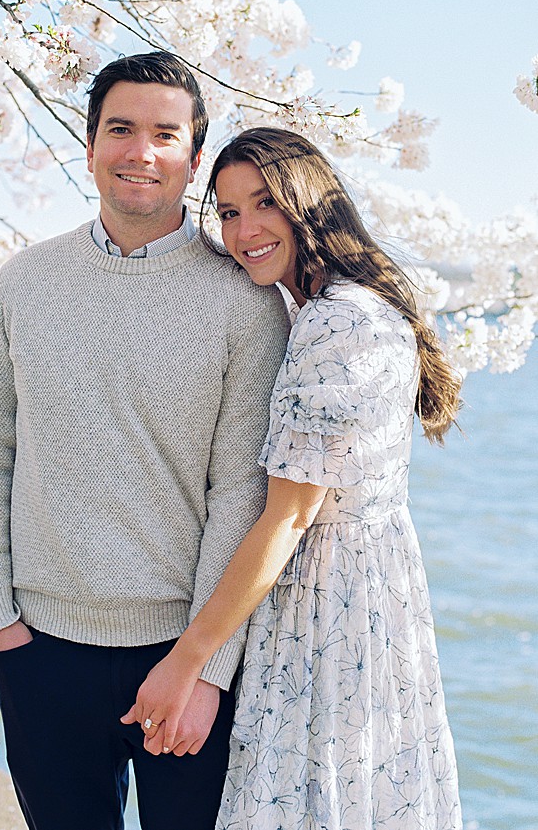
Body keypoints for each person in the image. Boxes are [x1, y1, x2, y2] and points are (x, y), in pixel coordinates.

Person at [0, 54, 290, 830]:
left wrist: (205, 668)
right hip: (38, 646)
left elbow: (240, 491)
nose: (141, 151)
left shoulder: (245, 299)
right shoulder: (24, 281)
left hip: (181, 652)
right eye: (121, 129)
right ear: (91, 143)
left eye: (165, 134)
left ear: (194, 159)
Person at [124, 127, 463, 829]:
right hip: (369, 595)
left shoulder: (334, 324)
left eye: (263, 204)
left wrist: (186, 661)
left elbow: (287, 517)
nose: (244, 230)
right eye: (226, 212)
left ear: (308, 202)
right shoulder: (347, 305)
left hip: (328, 608)